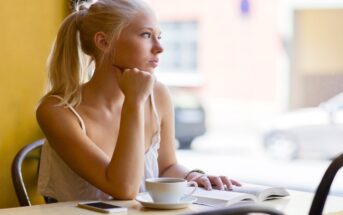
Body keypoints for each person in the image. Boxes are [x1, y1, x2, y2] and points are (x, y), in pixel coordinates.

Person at [36, 0, 241, 202]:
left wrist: (193, 176)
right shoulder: (56, 110)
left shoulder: (158, 95)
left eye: (159, 36)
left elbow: (166, 167)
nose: (159, 47)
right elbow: (123, 189)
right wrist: (133, 101)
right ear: (103, 42)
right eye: (146, 35)